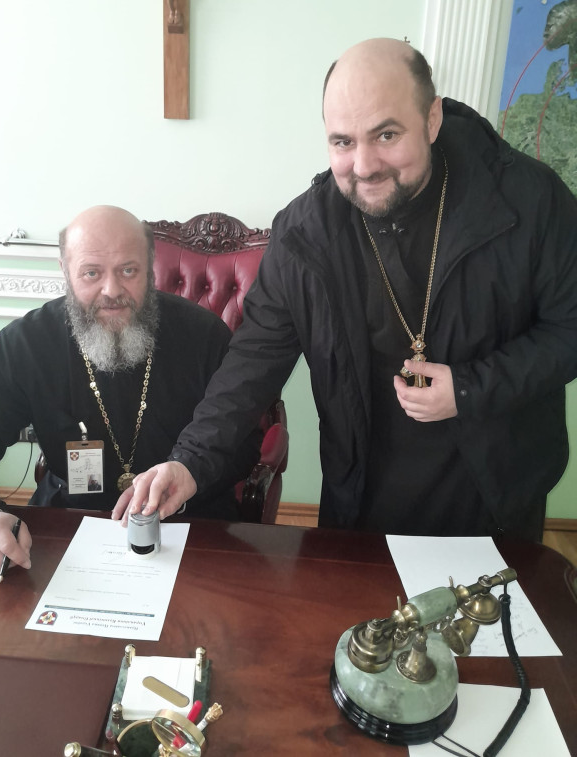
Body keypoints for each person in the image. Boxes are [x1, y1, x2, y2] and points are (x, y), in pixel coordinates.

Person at [117, 37, 577, 541]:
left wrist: (471, 388)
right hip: (361, 496)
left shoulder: (530, 200)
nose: (364, 165)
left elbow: (569, 330)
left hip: (497, 492)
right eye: (343, 142)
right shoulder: (304, 233)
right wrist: (190, 462)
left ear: (432, 119)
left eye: (386, 135)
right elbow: (252, 362)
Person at [0, 205, 258, 575]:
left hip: (192, 525)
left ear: (149, 266)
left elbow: (245, 441)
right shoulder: (24, 345)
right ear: (65, 271)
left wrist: (191, 472)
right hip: (69, 523)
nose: (112, 290)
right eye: (91, 273)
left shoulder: (205, 337)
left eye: (128, 270)